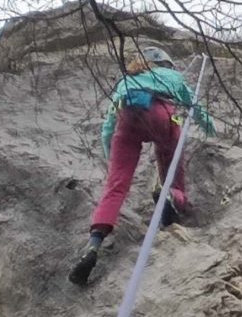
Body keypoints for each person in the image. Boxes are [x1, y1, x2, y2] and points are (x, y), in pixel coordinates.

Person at [70, 46, 212, 286]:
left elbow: (108, 126)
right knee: (172, 167)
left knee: (115, 187)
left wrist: (111, 157)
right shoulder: (172, 76)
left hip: (127, 120)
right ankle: (171, 194)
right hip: (161, 116)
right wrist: (209, 127)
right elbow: (194, 106)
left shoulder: (127, 81)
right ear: (165, 64)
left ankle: (93, 245)